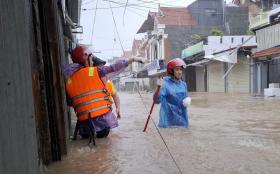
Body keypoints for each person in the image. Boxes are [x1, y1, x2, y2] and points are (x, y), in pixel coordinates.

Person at [64, 45, 144, 141]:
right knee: (104, 145)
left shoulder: (69, 80)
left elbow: (70, 102)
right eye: (91, 57)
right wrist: (132, 59)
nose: (93, 61)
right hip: (102, 121)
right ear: (85, 57)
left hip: (84, 123)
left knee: (86, 143)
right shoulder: (97, 72)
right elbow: (114, 67)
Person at [154, 58, 191, 128]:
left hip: (182, 123)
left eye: (181, 69)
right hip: (168, 124)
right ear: (171, 71)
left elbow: (185, 100)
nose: (180, 72)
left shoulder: (183, 84)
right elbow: (156, 101)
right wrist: (158, 88)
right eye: (177, 69)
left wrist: (187, 101)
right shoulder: (164, 84)